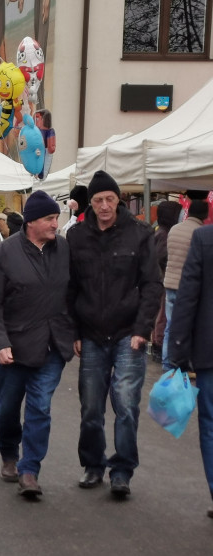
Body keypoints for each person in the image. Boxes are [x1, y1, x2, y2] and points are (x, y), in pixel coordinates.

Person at [67, 170, 161, 497]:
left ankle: (122, 470)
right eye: (97, 200)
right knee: (91, 406)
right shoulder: (77, 237)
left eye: (109, 199)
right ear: (89, 203)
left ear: (118, 199)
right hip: (91, 332)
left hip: (128, 332)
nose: (104, 206)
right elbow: (71, 288)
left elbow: (152, 285)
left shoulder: (139, 233)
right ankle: (93, 465)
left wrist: (143, 328)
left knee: (125, 403)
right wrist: (75, 331)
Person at [0, 191, 75, 495]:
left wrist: (76, 333)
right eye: (49, 218)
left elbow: (74, 294)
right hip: (15, 347)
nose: (55, 224)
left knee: (40, 407)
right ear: (32, 221)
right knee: (6, 409)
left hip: (52, 346)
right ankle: (9, 451)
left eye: (56, 218)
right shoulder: (7, 252)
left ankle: (30, 469)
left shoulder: (63, 248)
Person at [166, 222, 213, 519]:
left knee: (211, 424)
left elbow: (187, 297)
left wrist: (177, 352)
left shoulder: (204, 238)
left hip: (209, 351)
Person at [161, 194, 209, 371]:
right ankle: (182, 364)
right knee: (185, 326)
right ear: (204, 215)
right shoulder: (199, 234)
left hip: (169, 282)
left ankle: (167, 364)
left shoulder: (174, 229)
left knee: (169, 327)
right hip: (186, 286)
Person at [151, 200, 180, 355]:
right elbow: (162, 256)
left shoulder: (160, 231)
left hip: (159, 277)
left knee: (160, 313)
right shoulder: (164, 233)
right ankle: (159, 342)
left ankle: (157, 340)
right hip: (162, 278)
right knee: (162, 314)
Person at [34, 109, 56, 179]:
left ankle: (40, 175)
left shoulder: (49, 131)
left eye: (37, 118)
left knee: (42, 164)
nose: (35, 121)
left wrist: (51, 146)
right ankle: (37, 174)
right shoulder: (36, 130)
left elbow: (51, 147)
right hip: (38, 149)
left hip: (44, 150)